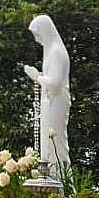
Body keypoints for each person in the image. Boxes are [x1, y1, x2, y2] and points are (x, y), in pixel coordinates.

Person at [24, 14, 71, 175]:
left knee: (56, 144)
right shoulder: (51, 51)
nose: (37, 39)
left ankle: (61, 184)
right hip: (51, 100)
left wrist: (37, 76)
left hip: (56, 100)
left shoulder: (57, 52)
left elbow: (55, 83)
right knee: (48, 146)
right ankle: (51, 179)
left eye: (38, 35)